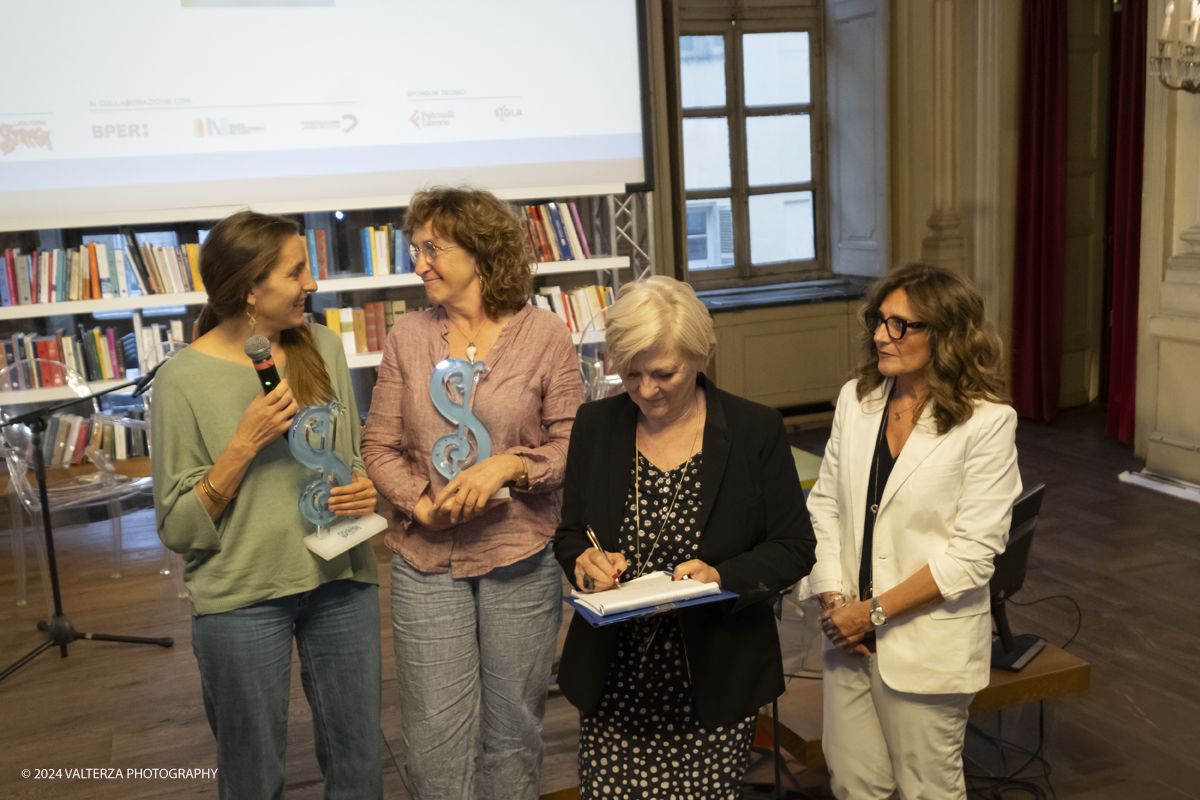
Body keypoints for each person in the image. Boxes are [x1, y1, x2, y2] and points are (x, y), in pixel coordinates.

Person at [553, 275, 817, 800]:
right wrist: (584, 562)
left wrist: (721, 575)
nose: (646, 390)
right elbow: (569, 534)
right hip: (615, 682)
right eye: (631, 373)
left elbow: (794, 546)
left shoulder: (753, 430)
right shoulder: (596, 425)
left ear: (700, 357)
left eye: (663, 373)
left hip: (715, 679)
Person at [151, 209, 383, 800]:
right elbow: (178, 527)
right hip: (242, 598)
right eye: (297, 271)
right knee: (253, 776)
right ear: (252, 289)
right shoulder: (181, 380)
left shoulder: (323, 347)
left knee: (360, 763)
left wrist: (360, 488)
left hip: (342, 580)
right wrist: (244, 443)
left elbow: (348, 457)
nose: (312, 283)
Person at [360, 187, 584, 800]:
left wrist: (512, 464)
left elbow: (573, 445)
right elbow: (377, 447)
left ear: (481, 251)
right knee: (433, 741)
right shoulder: (407, 336)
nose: (418, 262)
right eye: (415, 248)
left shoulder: (545, 336)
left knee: (514, 734)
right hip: (425, 561)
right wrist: (419, 504)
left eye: (432, 247)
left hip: (521, 554)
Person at [806, 263, 1023, 800]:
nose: (882, 334)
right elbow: (825, 504)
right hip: (848, 639)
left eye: (901, 325)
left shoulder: (988, 423)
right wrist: (836, 601)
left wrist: (872, 613)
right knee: (854, 784)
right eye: (880, 320)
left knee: (927, 789)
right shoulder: (856, 401)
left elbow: (972, 558)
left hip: (927, 646)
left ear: (946, 335)